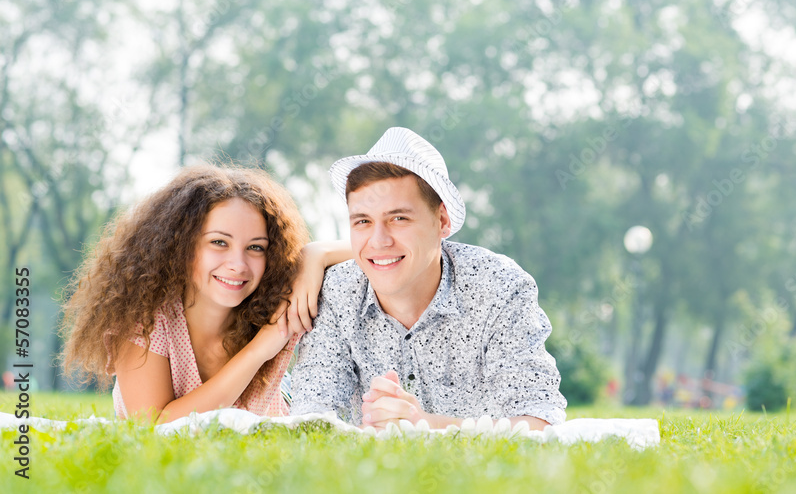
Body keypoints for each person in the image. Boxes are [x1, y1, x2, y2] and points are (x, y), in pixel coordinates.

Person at [290, 127, 567, 430]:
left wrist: (421, 425)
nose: (379, 240)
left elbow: (540, 422)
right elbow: (311, 421)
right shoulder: (336, 294)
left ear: (442, 221)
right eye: (363, 222)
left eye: (399, 218)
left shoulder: (499, 287)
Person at [61, 165, 351, 423]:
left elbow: (381, 249)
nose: (238, 265)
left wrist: (314, 254)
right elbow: (153, 426)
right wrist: (261, 348)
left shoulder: (273, 301)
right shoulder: (144, 317)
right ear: (182, 246)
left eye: (256, 247)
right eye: (218, 242)